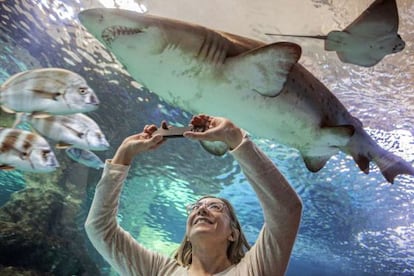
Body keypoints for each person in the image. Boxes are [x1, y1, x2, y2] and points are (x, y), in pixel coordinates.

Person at [85, 114, 302, 276]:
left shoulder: (253, 270)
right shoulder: (160, 271)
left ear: (233, 234)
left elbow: (286, 211)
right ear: (187, 233)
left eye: (216, 207)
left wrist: (234, 138)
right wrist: (124, 153)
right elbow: (99, 228)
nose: (201, 208)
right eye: (196, 206)